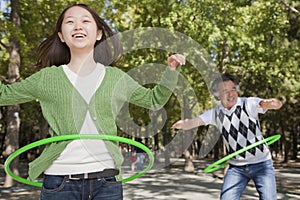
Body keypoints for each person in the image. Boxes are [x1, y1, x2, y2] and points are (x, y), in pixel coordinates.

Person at [0, 4, 185, 200]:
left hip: (107, 183)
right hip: (60, 183)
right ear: (62, 36)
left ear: (98, 34)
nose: (78, 26)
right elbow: (4, 95)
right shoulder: (47, 78)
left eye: (85, 21)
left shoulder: (116, 78)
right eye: (70, 22)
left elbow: (153, 100)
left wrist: (171, 72)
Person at [172, 72, 282, 200]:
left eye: (233, 89)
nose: (231, 94)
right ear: (217, 96)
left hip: (261, 163)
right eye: (225, 91)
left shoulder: (248, 103)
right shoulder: (215, 113)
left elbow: (264, 103)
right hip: (236, 167)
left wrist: (272, 103)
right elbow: (194, 122)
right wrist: (183, 124)